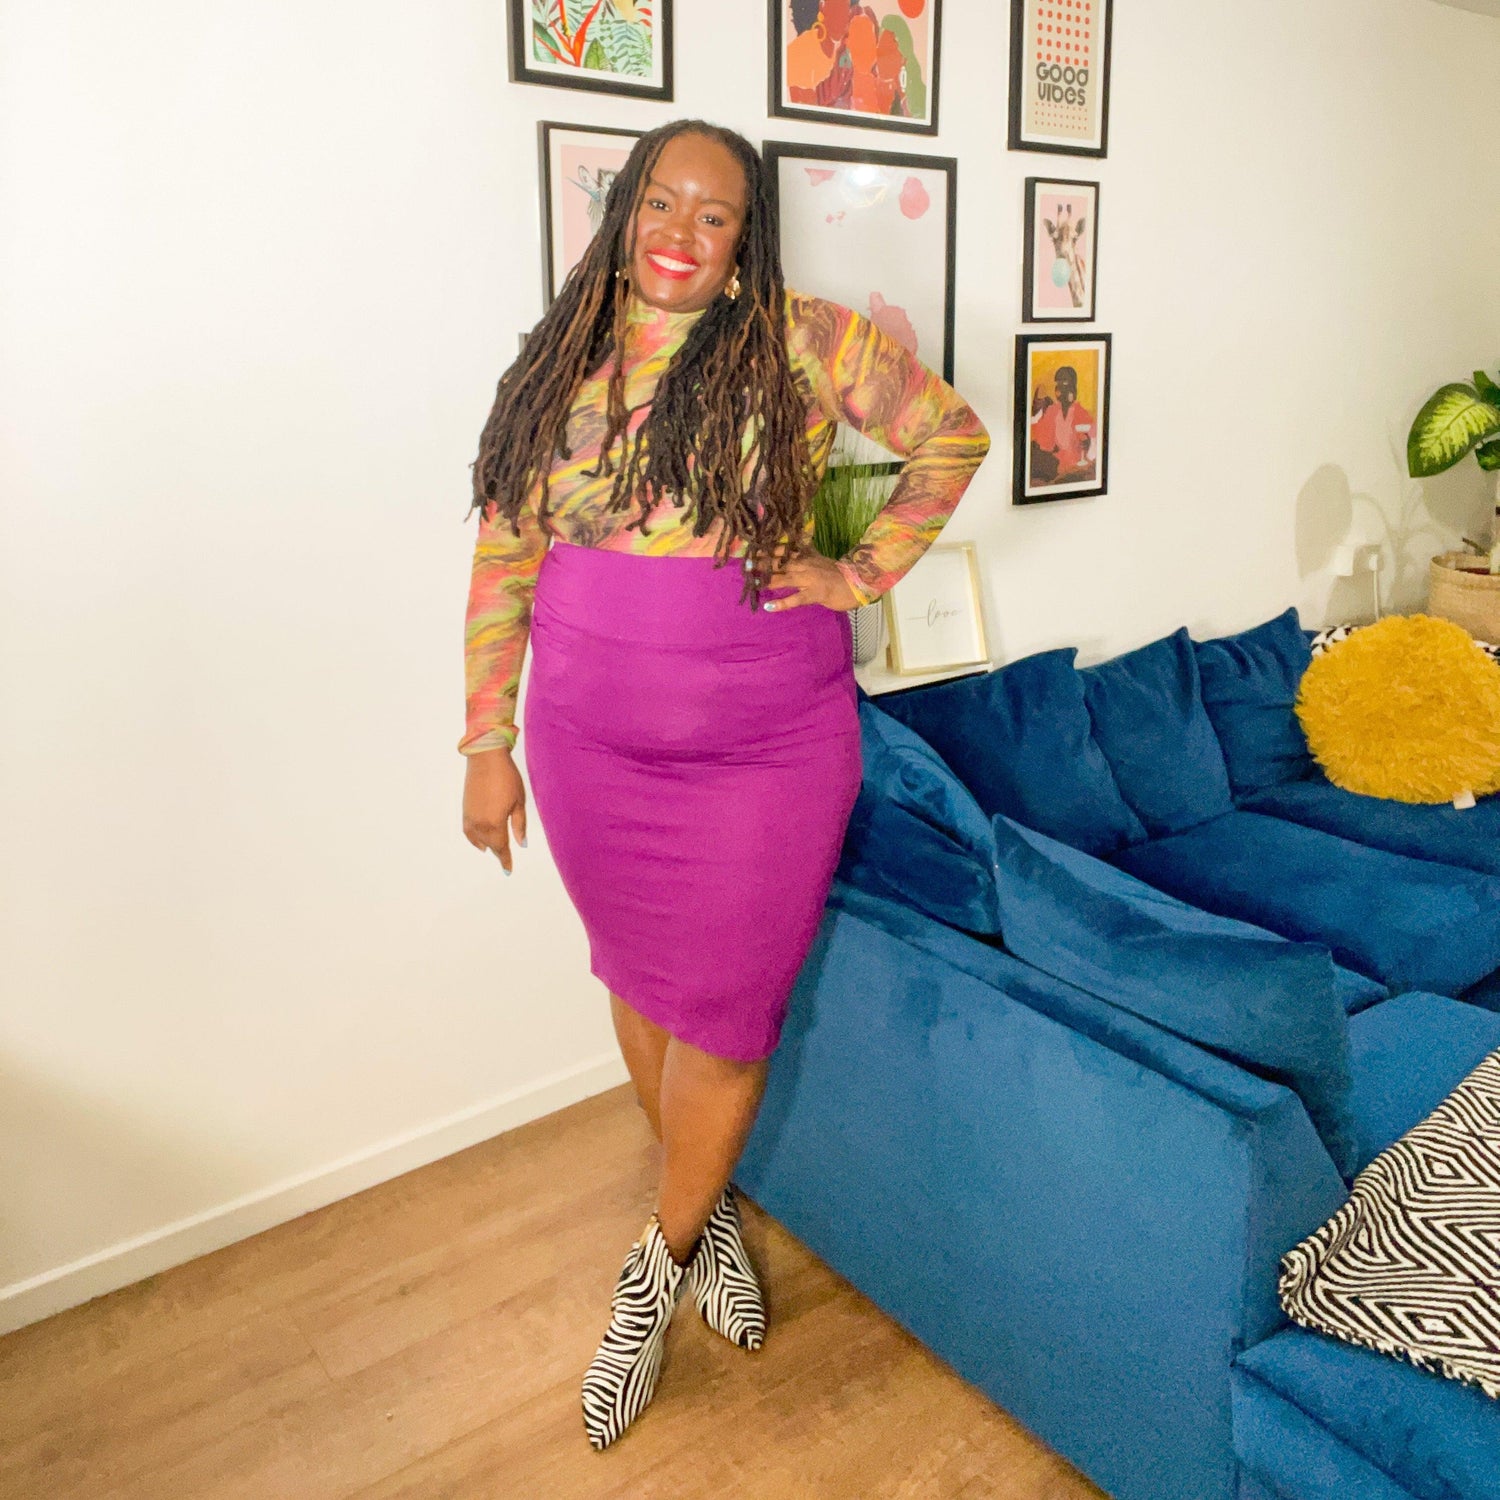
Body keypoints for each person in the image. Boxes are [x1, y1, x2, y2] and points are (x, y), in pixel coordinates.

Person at [459, 119, 989, 1451]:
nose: (682, 234)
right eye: (662, 203)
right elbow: (504, 558)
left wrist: (856, 573)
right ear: (624, 210)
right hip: (586, 746)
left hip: (767, 745)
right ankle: (709, 1226)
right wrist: (485, 742)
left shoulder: (804, 341)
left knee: (732, 1018)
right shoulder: (559, 362)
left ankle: (652, 1277)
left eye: (715, 215)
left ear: (747, 239)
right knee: (644, 981)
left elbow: (951, 437)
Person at [1029, 364, 1095, 485]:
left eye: (1065, 383)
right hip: (1055, 463)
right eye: (1058, 383)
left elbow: (1093, 442)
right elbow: (1044, 443)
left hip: (1075, 465)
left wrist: (1088, 443)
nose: (1060, 389)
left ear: (1073, 388)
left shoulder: (1081, 413)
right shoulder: (1052, 410)